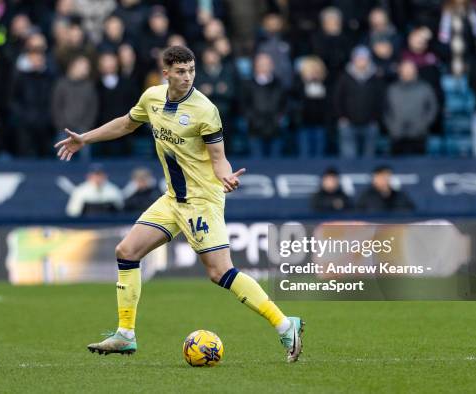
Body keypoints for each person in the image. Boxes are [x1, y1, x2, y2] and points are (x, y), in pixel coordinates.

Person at [54, 45, 304, 362]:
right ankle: (125, 335)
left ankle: (285, 326)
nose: (187, 77)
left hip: (201, 201)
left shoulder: (205, 110)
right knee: (126, 252)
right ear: (167, 73)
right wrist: (85, 139)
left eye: (191, 70)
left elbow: (219, 158)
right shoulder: (152, 98)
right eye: (181, 71)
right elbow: (125, 124)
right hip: (173, 198)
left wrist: (226, 177)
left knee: (219, 272)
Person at [384, 59, 438, 155]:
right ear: (400, 71)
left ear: (415, 71)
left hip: (418, 135)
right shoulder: (392, 89)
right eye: (405, 69)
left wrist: (423, 125)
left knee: (419, 167)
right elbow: (385, 110)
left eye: (410, 69)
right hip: (397, 135)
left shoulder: (425, 88)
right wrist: (392, 126)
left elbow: (433, 108)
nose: (408, 72)